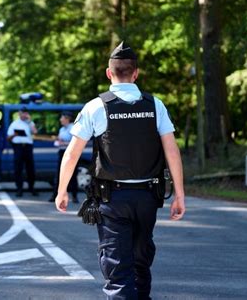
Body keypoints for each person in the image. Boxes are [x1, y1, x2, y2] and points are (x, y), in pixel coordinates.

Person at [55, 41, 186, 299]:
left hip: (112, 199)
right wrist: (180, 195)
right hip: (148, 197)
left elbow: (72, 154)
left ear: (108, 73)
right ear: (136, 73)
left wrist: (62, 191)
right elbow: (172, 151)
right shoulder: (155, 105)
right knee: (141, 262)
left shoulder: (95, 107)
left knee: (117, 268)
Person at [7, 106, 38, 197]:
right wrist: (15, 134)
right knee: (18, 169)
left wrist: (29, 122)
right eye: (22, 113)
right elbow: (8, 138)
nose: (24, 114)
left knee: (30, 169)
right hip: (18, 147)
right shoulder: (14, 124)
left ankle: (31, 188)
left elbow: (35, 132)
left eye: (25, 113)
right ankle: (19, 189)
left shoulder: (30, 123)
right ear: (19, 113)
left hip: (28, 147)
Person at [48, 111, 79, 203]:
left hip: (71, 153)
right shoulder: (62, 129)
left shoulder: (73, 128)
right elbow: (59, 139)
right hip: (62, 152)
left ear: (67, 118)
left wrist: (63, 143)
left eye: (62, 118)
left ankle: (74, 196)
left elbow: (76, 143)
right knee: (59, 174)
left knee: (72, 175)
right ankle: (55, 195)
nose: (60, 120)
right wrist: (58, 141)